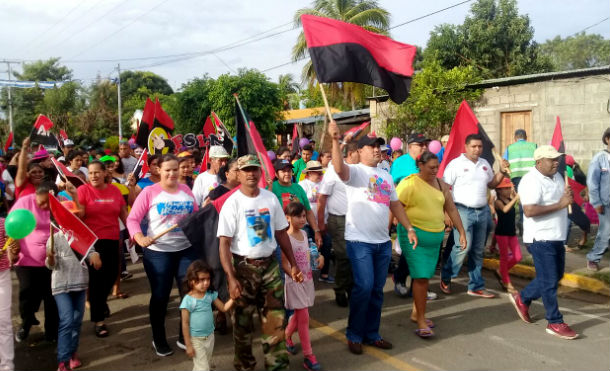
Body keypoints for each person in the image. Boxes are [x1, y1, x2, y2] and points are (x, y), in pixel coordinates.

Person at [328, 120, 418, 355]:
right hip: (359, 241)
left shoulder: (386, 176)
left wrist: (408, 228)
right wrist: (335, 141)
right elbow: (339, 169)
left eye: (379, 146)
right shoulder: (356, 172)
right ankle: (354, 334)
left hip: (381, 242)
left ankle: (372, 333)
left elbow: (395, 204)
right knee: (364, 287)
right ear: (360, 151)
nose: (377, 149)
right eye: (371, 146)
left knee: (377, 290)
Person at [217, 154, 303, 371]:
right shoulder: (232, 203)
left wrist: (292, 263)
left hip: (270, 267)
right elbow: (224, 244)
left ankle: (277, 366)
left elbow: (282, 233)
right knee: (243, 325)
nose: (251, 174)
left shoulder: (270, 198)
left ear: (260, 172)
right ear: (238, 174)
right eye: (246, 170)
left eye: (255, 169)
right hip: (243, 268)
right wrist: (231, 278)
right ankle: (245, 366)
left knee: (275, 323)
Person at [127, 154, 199, 356]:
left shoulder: (186, 190)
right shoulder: (150, 192)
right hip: (158, 253)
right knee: (161, 296)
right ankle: (158, 338)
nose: (172, 173)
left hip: (186, 250)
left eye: (175, 169)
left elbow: (195, 216)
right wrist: (139, 238)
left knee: (189, 294)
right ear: (159, 170)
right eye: (168, 170)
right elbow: (133, 219)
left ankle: (183, 335)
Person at [509, 145, 578, 340]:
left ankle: (522, 298)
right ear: (539, 162)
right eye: (551, 159)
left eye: (557, 158)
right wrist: (560, 204)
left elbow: (561, 202)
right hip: (540, 238)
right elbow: (529, 210)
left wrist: (568, 198)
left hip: (557, 236)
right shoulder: (530, 181)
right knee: (549, 282)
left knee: (555, 276)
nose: (556, 162)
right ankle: (555, 321)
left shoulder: (556, 176)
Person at [395, 152, 465, 338]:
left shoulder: (441, 184)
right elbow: (396, 205)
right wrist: (391, 228)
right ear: (420, 165)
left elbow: (451, 208)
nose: (435, 170)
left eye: (437, 167)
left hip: (434, 239)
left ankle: (416, 312)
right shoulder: (409, 183)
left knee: (423, 276)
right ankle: (421, 321)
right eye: (431, 167)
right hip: (413, 237)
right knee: (422, 278)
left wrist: (462, 232)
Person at [440, 134, 510, 298]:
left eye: (480, 147)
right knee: (463, 247)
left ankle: (476, 285)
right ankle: (446, 275)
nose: (477, 149)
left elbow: (492, 184)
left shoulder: (484, 164)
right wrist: (446, 213)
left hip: (483, 210)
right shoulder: (455, 164)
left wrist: (501, 171)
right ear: (466, 146)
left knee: (478, 250)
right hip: (461, 210)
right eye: (474, 146)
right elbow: (444, 188)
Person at [69, 161, 127, 338]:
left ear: (104, 173)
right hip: (92, 242)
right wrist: (74, 197)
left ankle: (99, 302)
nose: (93, 176)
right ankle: (98, 321)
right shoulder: (83, 191)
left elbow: (122, 212)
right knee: (96, 280)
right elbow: (81, 214)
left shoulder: (115, 190)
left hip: (112, 239)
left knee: (110, 277)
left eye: (97, 172)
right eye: (91, 173)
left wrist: (132, 233)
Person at [46, 208, 102, 371]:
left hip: (80, 284)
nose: (73, 218)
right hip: (60, 286)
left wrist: (95, 257)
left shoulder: (82, 235)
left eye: (75, 215)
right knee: (67, 320)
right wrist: (50, 257)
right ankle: (62, 360)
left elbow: (92, 252)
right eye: (70, 215)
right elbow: (50, 265)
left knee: (76, 322)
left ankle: (72, 354)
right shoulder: (53, 238)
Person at [12, 182, 58, 343]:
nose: (45, 206)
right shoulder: (25, 202)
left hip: (51, 262)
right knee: (28, 295)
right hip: (26, 261)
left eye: (48, 202)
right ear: (35, 196)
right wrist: (14, 246)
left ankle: (51, 332)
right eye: (41, 202)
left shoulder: (58, 207)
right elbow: (12, 226)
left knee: (51, 298)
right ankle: (25, 323)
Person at [389, 133, 431, 298]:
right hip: (406, 212)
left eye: (425, 144)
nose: (423, 147)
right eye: (420, 144)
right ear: (410, 146)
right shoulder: (400, 162)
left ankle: (418, 287)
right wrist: (392, 213)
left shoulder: (426, 162)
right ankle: (400, 278)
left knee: (422, 251)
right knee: (411, 250)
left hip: (425, 212)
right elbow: (391, 187)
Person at [283, 202, 323, 371]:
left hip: (306, 280)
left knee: (299, 315)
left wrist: (319, 258)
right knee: (304, 316)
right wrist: (293, 273)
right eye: (298, 216)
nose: (302, 219)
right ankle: (309, 355)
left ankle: (286, 336)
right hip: (294, 283)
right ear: (288, 218)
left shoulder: (305, 235)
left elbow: (308, 254)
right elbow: (284, 263)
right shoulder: (285, 238)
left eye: (304, 216)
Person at [318, 142, 359, 307]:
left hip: (357, 220)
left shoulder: (359, 170)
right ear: (350, 154)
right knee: (345, 257)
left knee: (355, 256)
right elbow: (322, 197)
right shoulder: (333, 171)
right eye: (359, 151)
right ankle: (340, 289)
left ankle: (351, 287)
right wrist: (321, 222)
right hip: (339, 219)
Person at [180, 260, 234, 371]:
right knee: (203, 367)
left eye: (208, 279)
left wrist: (233, 298)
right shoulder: (188, 300)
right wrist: (188, 344)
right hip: (196, 340)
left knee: (203, 364)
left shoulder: (210, 295)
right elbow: (185, 323)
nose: (206, 283)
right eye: (202, 280)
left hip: (210, 337)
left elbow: (223, 308)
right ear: (192, 281)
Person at [271, 160, 323, 248]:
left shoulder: (298, 187)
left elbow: (308, 211)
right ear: (276, 174)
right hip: (280, 234)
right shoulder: (272, 188)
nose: (287, 173)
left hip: (300, 233)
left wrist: (316, 231)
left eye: (289, 171)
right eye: (283, 171)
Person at [298, 160, 332, 282]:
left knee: (326, 246)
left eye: (320, 172)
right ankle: (307, 275)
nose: (319, 174)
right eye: (316, 172)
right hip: (307, 224)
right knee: (308, 249)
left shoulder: (324, 184)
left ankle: (324, 274)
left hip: (323, 223)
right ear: (309, 173)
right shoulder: (302, 185)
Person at [586, 127, 610, 271]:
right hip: (605, 203)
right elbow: (592, 182)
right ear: (607, 139)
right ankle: (593, 259)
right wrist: (596, 202)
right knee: (605, 232)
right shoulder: (599, 158)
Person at [493, 178, 521, 293]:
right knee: (504, 258)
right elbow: (504, 209)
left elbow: (520, 203)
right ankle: (506, 282)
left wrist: (515, 194)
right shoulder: (497, 201)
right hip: (502, 233)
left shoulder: (511, 198)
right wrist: (515, 198)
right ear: (499, 190)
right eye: (506, 188)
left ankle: (500, 271)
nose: (508, 190)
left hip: (511, 232)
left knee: (517, 256)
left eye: (509, 187)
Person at [0, 218, 19, 371]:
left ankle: (7, 366)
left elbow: (13, 254)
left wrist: (13, 250)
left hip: (2, 276)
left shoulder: (3, 223)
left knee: (3, 321)